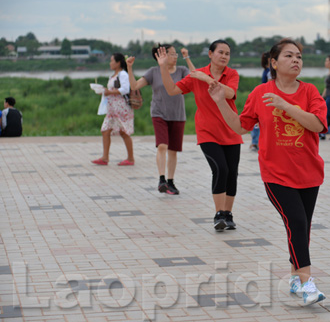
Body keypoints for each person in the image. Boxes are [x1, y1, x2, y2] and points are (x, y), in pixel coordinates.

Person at [208, 38, 327, 306]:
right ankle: (308, 284)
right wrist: (219, 102)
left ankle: (296, 277)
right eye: (289, 56)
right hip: (276, 174)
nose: (296, 60)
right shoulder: (261, 92)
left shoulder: (310, 92)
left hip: (309, 173)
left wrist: (286, 106)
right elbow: (240, 127)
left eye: (299, 56)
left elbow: (318, 125)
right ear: (273, 62)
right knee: (296, 221)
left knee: (302, 227)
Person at [156, 40, 242, 231]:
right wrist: (163, 68)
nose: (224, 56)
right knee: (220, 169)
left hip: (231, 130)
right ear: (210, 54)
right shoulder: (196, 75)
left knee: (232, 174)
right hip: (208, 132)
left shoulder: (232, 74)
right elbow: (172, 90)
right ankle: (219, 214)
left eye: (227, 53)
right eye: (220, 52)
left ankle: (228, 214)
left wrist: (208, 79)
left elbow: (229, 93)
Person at [126, 44, 195, 194]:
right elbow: (134, 85)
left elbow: (195, 77)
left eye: (175, 54)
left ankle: (170, 182)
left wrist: (187, 57)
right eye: (171, 54)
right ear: (160, 56)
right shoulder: (153, 72)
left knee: (173, 150)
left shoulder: (182, 70)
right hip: (159, 114)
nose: (175, 56)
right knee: (162, 145)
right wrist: (130, 68)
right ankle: (161, 179)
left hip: (177, 115)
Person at [91, 53, 134, 166]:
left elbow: (125, 89)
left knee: (124, 132)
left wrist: (110, 92)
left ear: (118, 62)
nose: (110, 63)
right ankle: (105, 157)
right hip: (112, 110)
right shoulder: (113, 76)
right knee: (105, 130)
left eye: (111, 61)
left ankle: (130, 158)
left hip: (121, 108)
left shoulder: (123, 74)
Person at [249, 52, 272, 151]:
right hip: (266, 98)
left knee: (259, 121)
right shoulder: (269, 72)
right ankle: (255, 142)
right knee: (258, 120)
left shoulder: (267, 71)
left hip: (265, 98)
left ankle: (256, 142)